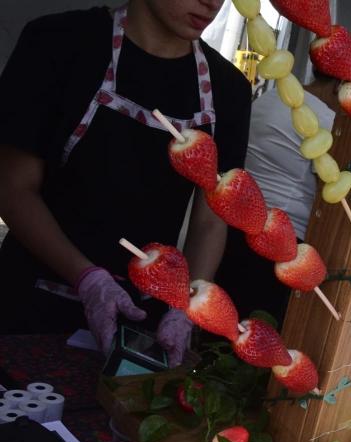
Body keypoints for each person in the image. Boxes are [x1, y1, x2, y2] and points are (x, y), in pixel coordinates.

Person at [0, 0, 252, 366]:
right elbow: (12, 188)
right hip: (32, 307)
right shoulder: (59, 43)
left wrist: (186, 305)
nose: (212, 2)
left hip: (141, 328)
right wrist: (87, 280)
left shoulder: (228, 90)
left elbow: (211, 219)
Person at [216, 70, 338, 326]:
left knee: (225, 323)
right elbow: (327, 200)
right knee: (256, 331)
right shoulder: (324, 121)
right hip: (280, 242)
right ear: (340, 86)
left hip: (235, 228)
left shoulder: (271, 97)